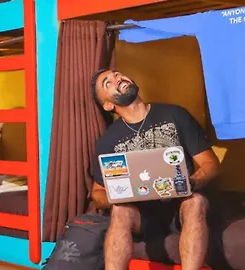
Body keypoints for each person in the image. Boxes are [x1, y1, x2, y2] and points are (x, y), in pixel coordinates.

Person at [90, 69, 222, 270]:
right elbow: (97, 193)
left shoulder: (175, 115)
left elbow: (211, 165)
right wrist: (119, 196)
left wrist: (190, 183)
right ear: (108, 105)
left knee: (195, 201)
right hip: (143, 216)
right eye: (107, 83)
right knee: (120, 210)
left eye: (116, 74)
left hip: (181, 206)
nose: (116, 78)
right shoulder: (108, 141)